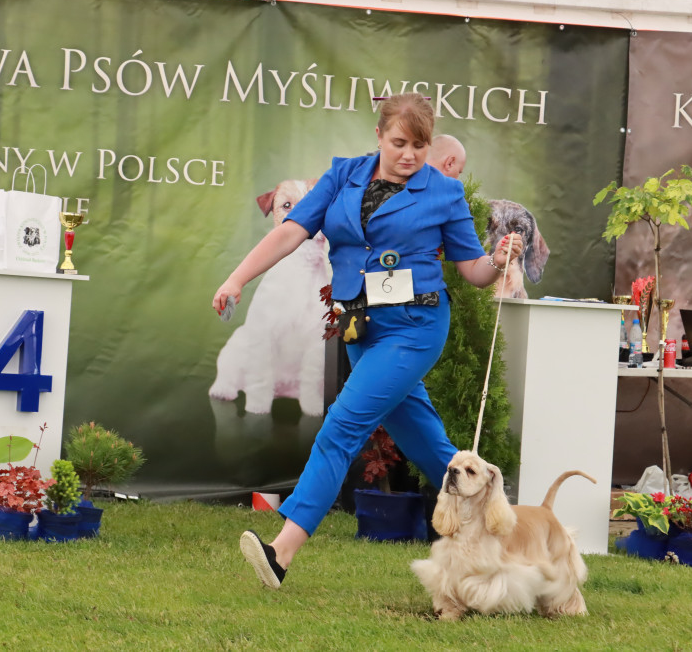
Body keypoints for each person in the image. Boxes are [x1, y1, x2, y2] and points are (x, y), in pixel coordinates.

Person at [211, 93, 523, 590]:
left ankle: (281, 553)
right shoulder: (343, 176)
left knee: (341, 426)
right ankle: (505, 541)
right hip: (360, 328)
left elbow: (473, 272)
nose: (409, 155)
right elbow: (290, 233)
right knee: (429, 446)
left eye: (419, 146)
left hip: (416, 328)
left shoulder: (444, 193)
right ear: (378, 136)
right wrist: (236, 279)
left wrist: (500, 256)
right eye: (399, 143)